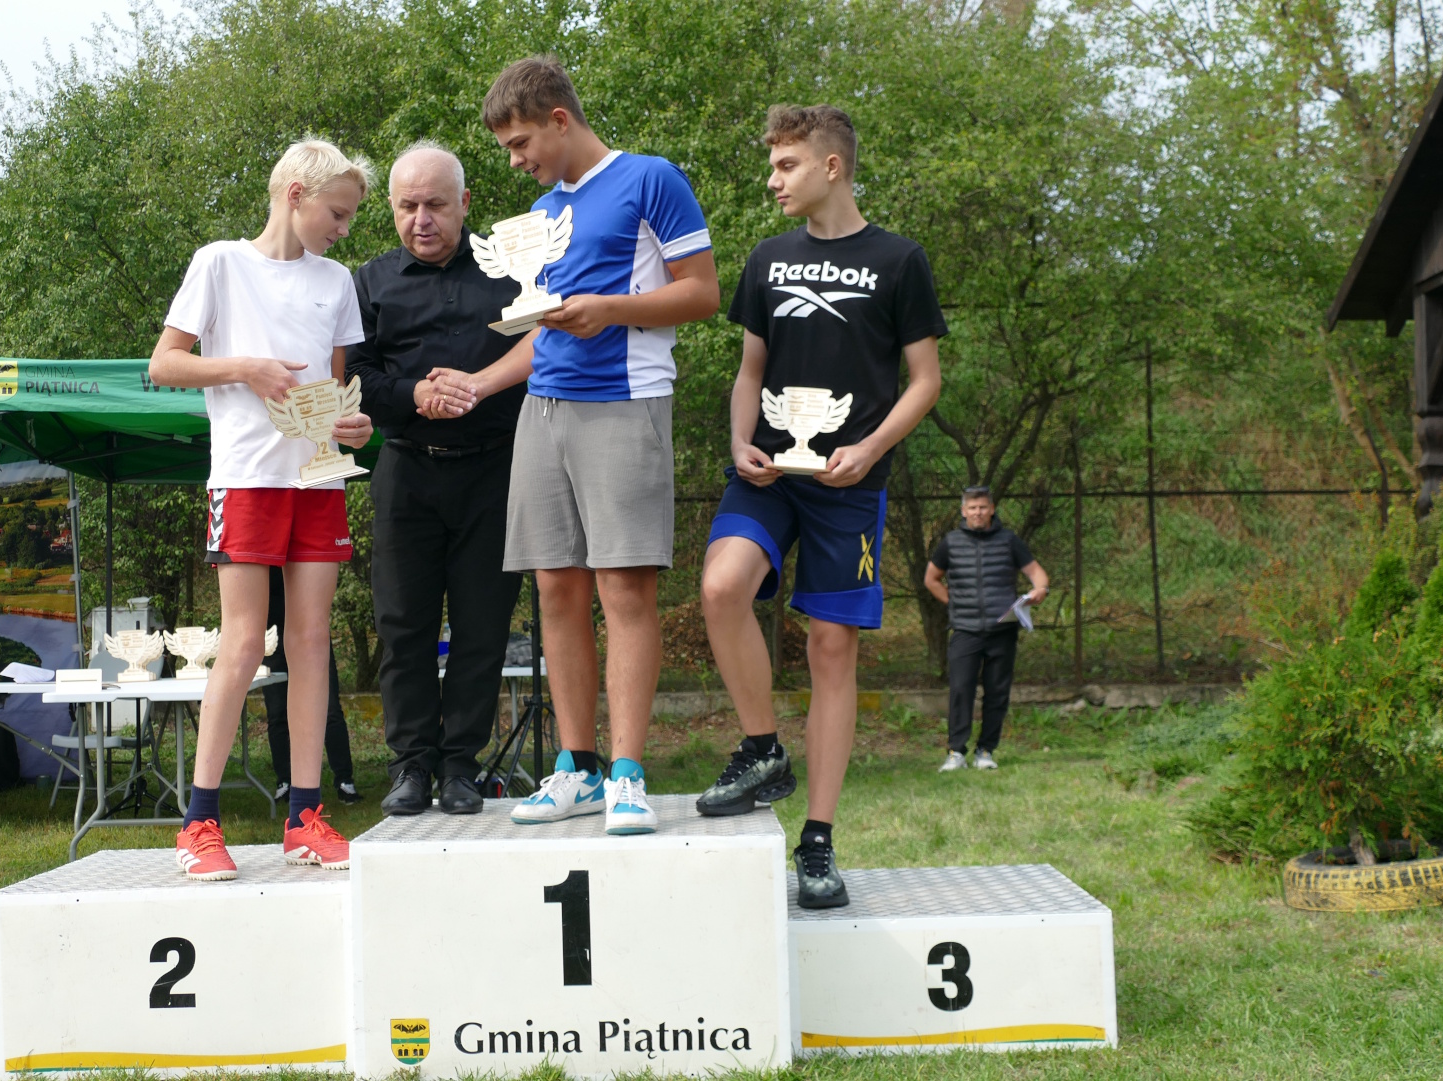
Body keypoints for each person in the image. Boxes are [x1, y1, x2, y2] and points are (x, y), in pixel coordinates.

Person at [427, 55, 719, 834]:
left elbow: (702, 292)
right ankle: (579, 768)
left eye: (521, 143)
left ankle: (628, 773)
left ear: (560, 119)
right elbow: (546, 327)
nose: (515, 161)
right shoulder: (540, 211)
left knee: (623, 591)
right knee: (555, 589)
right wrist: (481, 382)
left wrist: (610, 309)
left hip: (624, 403)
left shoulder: (651, 178)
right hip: (543, 410)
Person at [694, 105, 945, 909]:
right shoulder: (769, 259)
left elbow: (926, 382)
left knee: (832, 649)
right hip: (769, 474)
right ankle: (763, 749)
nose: (772, 180)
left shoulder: (900, 260)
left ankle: (818, 840)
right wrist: (739, 441)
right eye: (772, 164)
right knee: (721, 587)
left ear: (831, 166)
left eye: (786, 165)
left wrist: (870, 448)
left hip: (850, 485)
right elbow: (749, 371)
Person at [148, 139, 375, 880]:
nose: (344, 228)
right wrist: (245, 367)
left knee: (311, 641)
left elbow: (335, 393)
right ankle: (198, 822)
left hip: (318, 479)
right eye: (337, 212)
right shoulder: (220, 262)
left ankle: (305, 817)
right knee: (244, 642)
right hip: (247, 477)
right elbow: (164, 363)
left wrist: (352, 424)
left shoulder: (337, 281)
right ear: (296, 195)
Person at [346, 143, 526, 817]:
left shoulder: (511, 272)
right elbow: (352, 374)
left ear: (465, 203)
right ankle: (410, 766)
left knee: (483, 626)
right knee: (403, 626)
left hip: (495, 468)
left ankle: (461, 768)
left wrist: (478, 388)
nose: (421, 220)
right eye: (407, 206)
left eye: (435, 205)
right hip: (406, 468)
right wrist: (413, 395)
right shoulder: (368, 283)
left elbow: (544, 349)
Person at [924, 486, 1050, 772]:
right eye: (972, 508)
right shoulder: (951, 543)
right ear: (963, 511)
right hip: (965, 630)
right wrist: (953, 603)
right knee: (960, 691)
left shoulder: (1009, 541)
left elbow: (1037, 574)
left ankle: (985, 751)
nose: (977, 512)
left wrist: (1040, 590)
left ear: (992, 509)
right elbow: (931, 579)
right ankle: (956, 752)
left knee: (997, 692)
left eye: (982, 507)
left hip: (1002, 629)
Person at [262, 567, 357, 805]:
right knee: (277, 712)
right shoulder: (265, 554)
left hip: (310, 634)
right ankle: (285, 782)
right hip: (272, 637)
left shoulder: (305, 552)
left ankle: (345, 780)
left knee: (329, 708)